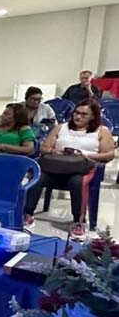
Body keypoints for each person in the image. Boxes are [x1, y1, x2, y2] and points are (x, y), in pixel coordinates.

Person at [24, 99, 114, 235]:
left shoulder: (101, 131)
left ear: (93, 116)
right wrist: (55, 151)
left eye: (84, 114)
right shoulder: (61, 127)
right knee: (39, 177)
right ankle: (28, 214)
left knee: (77, 181)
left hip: (82, 169)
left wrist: (84, 154)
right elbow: (44, 148)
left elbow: (109, 155)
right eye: (77, 113)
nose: (78, 116)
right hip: (57, 166)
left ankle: (78, 221)